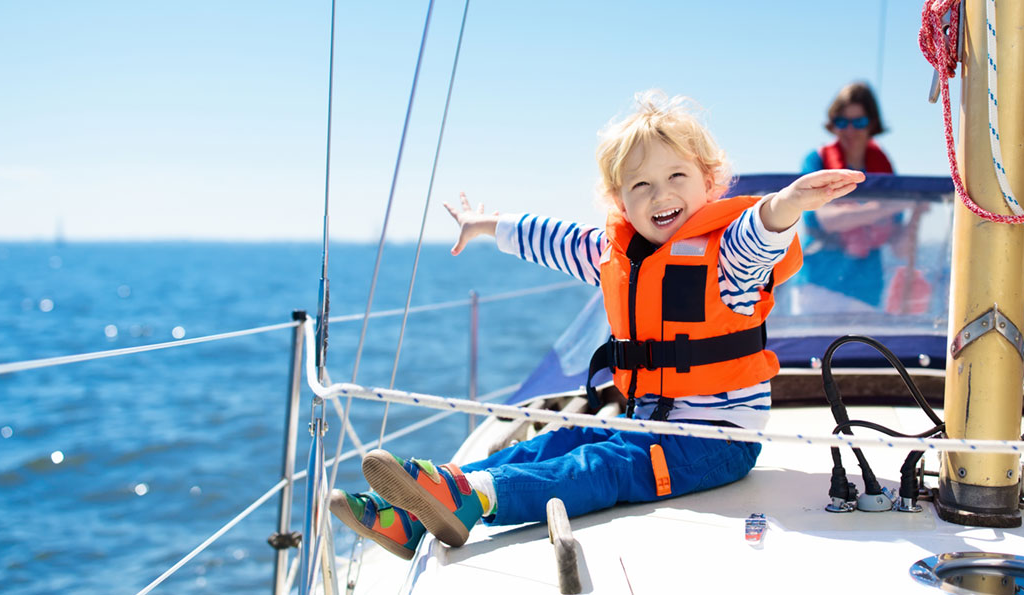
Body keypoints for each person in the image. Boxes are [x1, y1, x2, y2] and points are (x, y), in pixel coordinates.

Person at [327, 91, 865, 558]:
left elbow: (761, 231)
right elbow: (552, 237)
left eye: (676, 176)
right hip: (646, 419)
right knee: (555, 442)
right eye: (641, 186)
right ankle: (418, 512)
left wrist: (791, 202)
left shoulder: (729, 262)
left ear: (708, 182)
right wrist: (487, 224)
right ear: (620, 201)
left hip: (714, 442)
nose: (661, 195)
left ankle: (479, 496)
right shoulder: (616, 252)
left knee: (599, 467)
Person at [796, 82, 922, 310]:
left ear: (872, 124)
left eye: (859, 122)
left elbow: (899, 247)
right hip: (818, 287)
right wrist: (893, 205)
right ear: (832, 125)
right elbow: (827, 219)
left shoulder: (883, 168)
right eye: (842, 122)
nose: (850, 130)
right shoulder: (816, 161)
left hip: (867, 291)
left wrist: (916, 213)